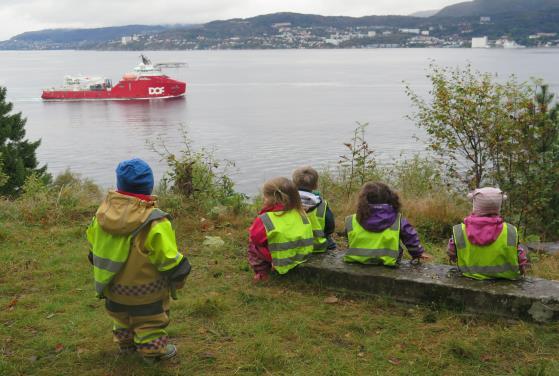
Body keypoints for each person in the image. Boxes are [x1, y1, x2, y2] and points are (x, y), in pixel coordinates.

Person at [86, 158, 191, 362]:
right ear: (149, 187)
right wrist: (181, 271)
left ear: (119, 186)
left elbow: (93, 246)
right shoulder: (154, 221)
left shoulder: (102, 215)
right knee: (149, 322)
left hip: (112, 286)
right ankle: (152, 352)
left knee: (121, 318)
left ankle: (126, 345)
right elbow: (167, 257)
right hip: (146, 291)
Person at [448, 187, 528, 280]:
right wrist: (522, 268)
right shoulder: (510, 230)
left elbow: (451, 251)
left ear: (475, 206)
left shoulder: (459, 230)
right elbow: (520, 255)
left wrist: (454, 257)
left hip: (470, 275)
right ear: (498, 207)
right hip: (505, 279)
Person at [247, 177, 314, 282]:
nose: (263, 199)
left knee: (253, 246)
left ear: (272, 199)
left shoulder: (265, 218)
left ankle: (262, 273)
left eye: (265, 197)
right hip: (301, 256)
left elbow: (255, 238)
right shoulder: (301, 213)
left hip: (282, 259)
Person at [344, 182, 427, 265]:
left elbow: (348, 237)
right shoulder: (398, 220)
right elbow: (410, 237)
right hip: (389, 263)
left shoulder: (350, 220)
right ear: (390, 198)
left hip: (356, 262)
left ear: (363, 199)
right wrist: (418, 253)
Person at [292, 166, 337, 252]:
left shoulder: (287, 203)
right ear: (316, 185)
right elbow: (330, 227)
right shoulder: (322, 205)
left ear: (293, 184)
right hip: (318, 246)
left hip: (295, 246)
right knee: (330, 243)